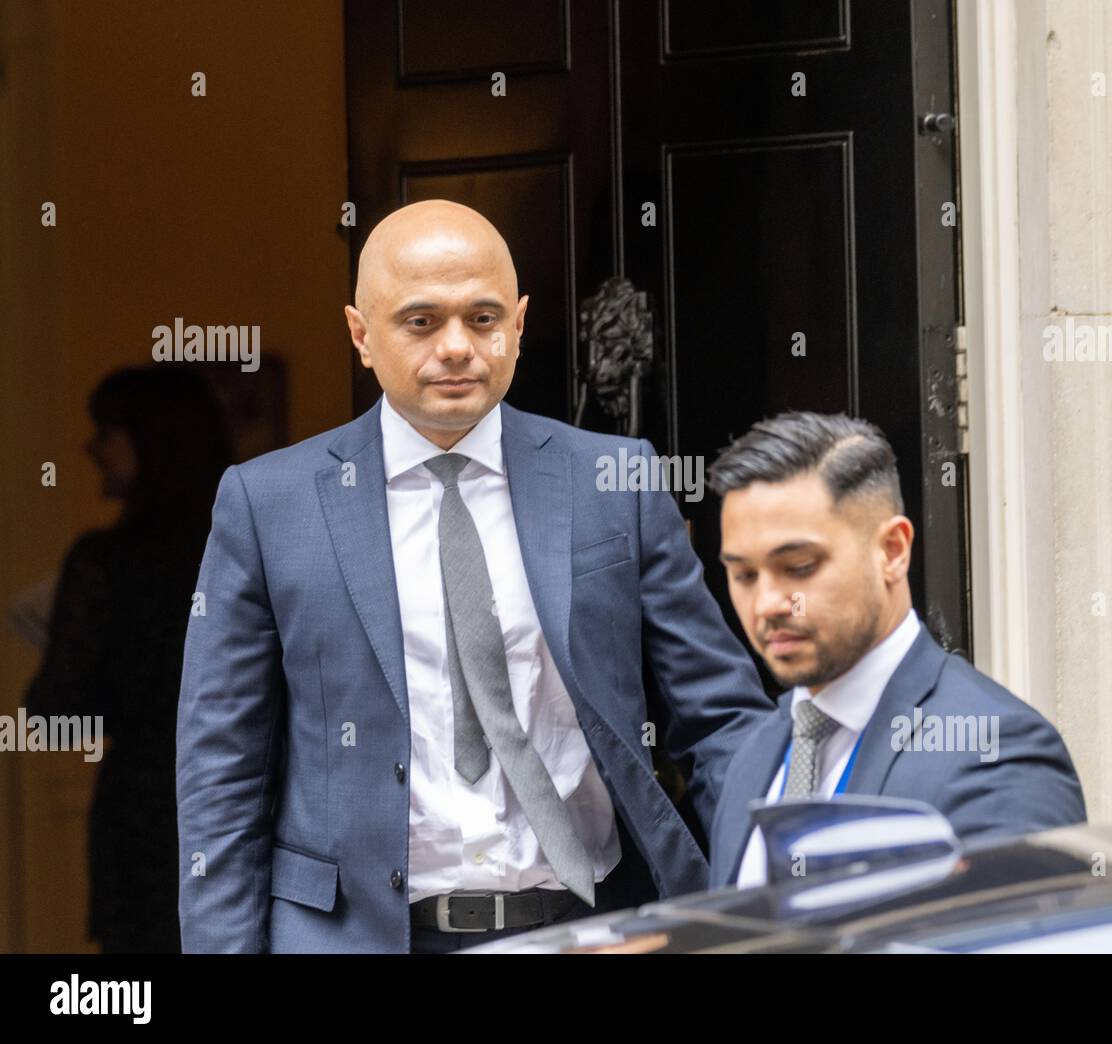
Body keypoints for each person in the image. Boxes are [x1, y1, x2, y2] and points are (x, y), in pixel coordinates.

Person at [176, 200, 773, 953]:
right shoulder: (267, 506)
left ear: (519, 324)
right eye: (421, 322)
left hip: (596, 930)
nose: (457, 347)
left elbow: (720, 721)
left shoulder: (615, 481)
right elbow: (221, 771)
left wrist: (767, 900)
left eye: (483, 318)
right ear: (362, 335)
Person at [705, 412, 1086, 889]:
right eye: (743, 575)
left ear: (892, 551)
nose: (766, 604)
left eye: (799, 567)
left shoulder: (997, 752)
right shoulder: (754, 754)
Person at [27, 366, 232, 952]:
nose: (93, 447)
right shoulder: (253, 547)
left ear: (150, 439)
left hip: (146, 812)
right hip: (242, 802)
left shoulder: (105, 564)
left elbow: (53, 713)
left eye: (107, 430)